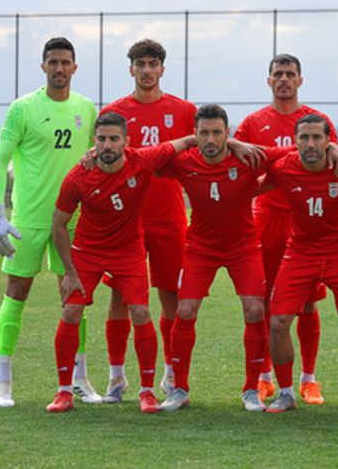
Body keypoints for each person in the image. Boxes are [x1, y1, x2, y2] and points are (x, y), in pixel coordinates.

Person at [45, 112, 195, 413]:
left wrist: (232, 143)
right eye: (101, 139)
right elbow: (58, 225)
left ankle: (147, 391)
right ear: (93, 143)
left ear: (126, 141)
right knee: (72, 308)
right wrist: (70, 273)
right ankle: (64, 391)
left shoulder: (142, 160)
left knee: (140, 311)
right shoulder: (77, 177)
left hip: (128, 251)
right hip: (88, 251)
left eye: (114, 138)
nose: (107, 145)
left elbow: (188, 141)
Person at [155, 104, 291, 413]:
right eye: (204, 133)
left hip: (243, 246)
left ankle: (251, 390)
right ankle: (179, 388)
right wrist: (187, 143)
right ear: (195, 135)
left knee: (255, 309)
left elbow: (293, 153)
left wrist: (334, 148)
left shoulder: (247, 157)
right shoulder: (185, 161)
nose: (211, 139)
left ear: (227, 133)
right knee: (185, 310)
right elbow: (149, 158)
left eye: (217, 132)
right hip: (199, 247)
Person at [0, 37, 100, 407]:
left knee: (74, 297)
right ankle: (3, 378)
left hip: (70, 222)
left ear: (74, 67)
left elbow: (96, 160)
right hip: (28, 221)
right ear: (43, 67)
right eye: (52, 62)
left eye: (65, 62)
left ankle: (79, 377)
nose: (59, 68)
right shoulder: (23, 109)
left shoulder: (87, 108)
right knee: (16, 292)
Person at [234, 54, 338, 404]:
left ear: (300, 80)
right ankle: (264, 377)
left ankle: (309, 379)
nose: (283, 79)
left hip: (307, 219)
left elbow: (334, 155)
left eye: (289, 74)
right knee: (264, 303)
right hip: (266, 219)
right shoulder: (252, 122)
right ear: (268, 81)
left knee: (308, 304)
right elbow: (237, 158)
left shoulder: (317, 121)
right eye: (277, 74)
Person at [97, 39, 196, 403]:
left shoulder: (184, 111)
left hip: (170, 217)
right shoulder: (115, 112)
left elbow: (202, 154)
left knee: (171, 296)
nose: (147, 70)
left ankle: (172, 374)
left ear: (162, 69)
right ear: (131, 69)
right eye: (141, 64)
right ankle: (117, 377)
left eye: (153, 63)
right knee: (121, 296)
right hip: (128, 220)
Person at [262, 115, 338, 414]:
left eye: (316, 138)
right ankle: (286, 392)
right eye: (304, 138)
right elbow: (252, 185)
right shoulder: (283, 168)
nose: (310, 144)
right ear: (295, 141)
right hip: (300, 253)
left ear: (329, 141)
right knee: (277, 322)